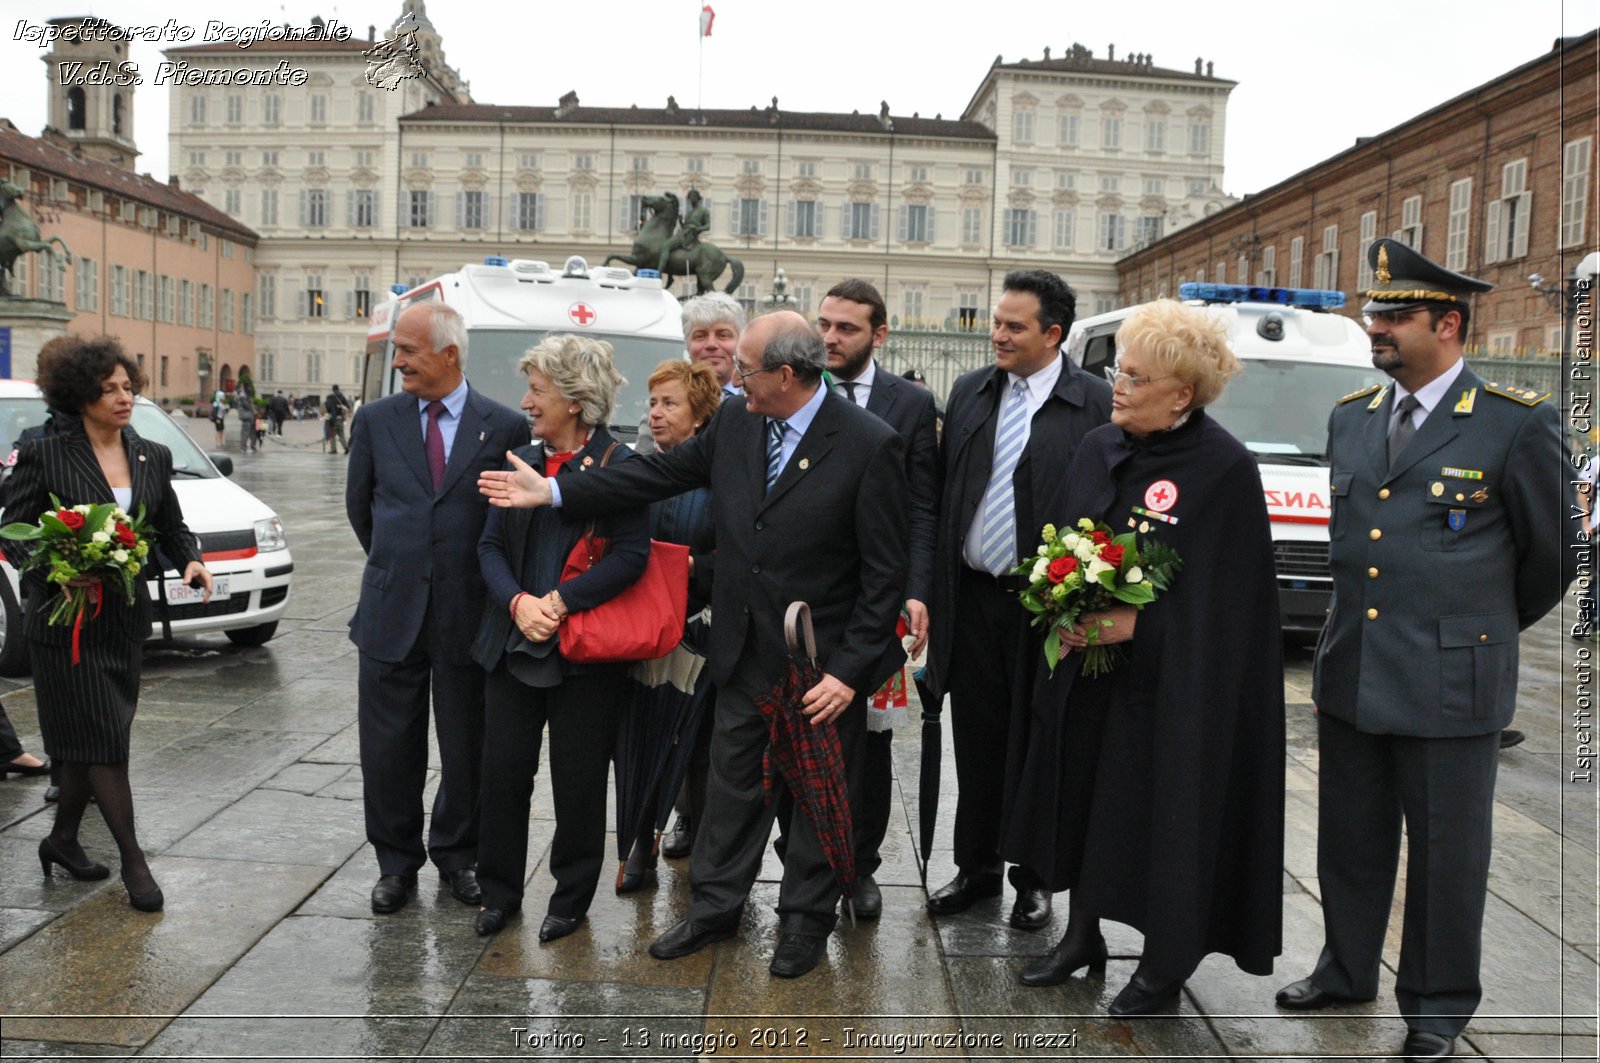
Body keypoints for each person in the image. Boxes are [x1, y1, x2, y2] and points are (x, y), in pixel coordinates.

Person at [479, 311, 908, 979]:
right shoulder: (739, 422)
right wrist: (557, 489)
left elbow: (885, 574)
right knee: (732, 790)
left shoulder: (869, 443)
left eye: (747, 370)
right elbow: (654, 477)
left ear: (788, 375)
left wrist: (851, 672)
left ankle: (804, 922)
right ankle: (714, 908)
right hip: (741, 648)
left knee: (821, 796)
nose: (732, 378)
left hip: (821, 660)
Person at [1274, 239, 1574, 1063]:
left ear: (1448, 323)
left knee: (1446, 850)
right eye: (1374, 313)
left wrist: (1472, 629)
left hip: (1451, 680)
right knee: (1351, 837)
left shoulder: (1515, 424)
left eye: (1394, 315)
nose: (1376, 327)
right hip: (1355, 666)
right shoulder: (1353, 418)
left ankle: (1438, 1003)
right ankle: (1345, 966)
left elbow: (1553, 557)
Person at [1006, 299, 1285, 1016]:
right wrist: (1063, 604)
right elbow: (1064, 542)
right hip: (1088, 677)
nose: (1117, 385)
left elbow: (1228, 607)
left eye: (1134, 376)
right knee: (1083, 802)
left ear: (1182, 394)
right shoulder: (1101, 444)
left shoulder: (1224, 468)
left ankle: (1164, 966)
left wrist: (1134, 626)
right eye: (1118, 370)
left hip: (1171, 689)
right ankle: (1082, 935)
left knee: (1161, 818)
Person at [923, 270, 1110, 931]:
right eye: (997, 322)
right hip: (973, 598)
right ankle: (975, 869)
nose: (997, 334)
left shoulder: (1092, 401)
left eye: (1013, 326)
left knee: (1040, 741)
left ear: (1053, 334)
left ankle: (1034, 877)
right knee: (976, 742)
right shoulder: (971, 390)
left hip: (1048, 607)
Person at [4, 335, 212, 911]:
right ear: (79, 396)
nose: (124, 397)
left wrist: (191, 559)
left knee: (92, 738)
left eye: (128, 386)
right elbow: (12, 529)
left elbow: (169, 525)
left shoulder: (151, 454)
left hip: (122, 619)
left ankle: (63, 840)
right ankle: (134, 862)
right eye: (108, 389)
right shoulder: (45, 453)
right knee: (104, 744)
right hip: (64, 622)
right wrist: (53, 567)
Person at [345, 302, 529, 916]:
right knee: (388, 747)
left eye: (408, 351)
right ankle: (394, 864)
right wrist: (405, 566)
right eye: (396, 350)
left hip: (468, 613)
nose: (396, 361)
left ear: (449, 355)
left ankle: (458, 855)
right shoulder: (376, 420)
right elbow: (361, 510)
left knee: (466, 744)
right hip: (391, 610)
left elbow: (507, 522)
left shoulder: (502, 426)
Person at [469, 335, 651, 941]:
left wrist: (560, 601)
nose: (525, 401)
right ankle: (498, 893)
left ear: (574, 400)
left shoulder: (620, 464)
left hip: (584, 654)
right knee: (502, 774)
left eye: (538, 390)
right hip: (513, 642)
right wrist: (519, 603)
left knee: (578, 783)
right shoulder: (518, 455)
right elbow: (489, 546)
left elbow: (631, 556)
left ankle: (570, 900)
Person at [807, 278, 939, 920]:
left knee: (867, 745)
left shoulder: (910, 404)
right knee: (796, 730)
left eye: (847, 328)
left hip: (876, 607)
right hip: (805, 602)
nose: (830, 337)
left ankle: (859, 867)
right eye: (824, 324)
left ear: (879, 335)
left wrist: (915, 590)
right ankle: (801, 858)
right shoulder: (794, 384)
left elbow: (920, 506)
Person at [615, 359, 721, 894]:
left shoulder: (722, 477)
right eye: (652, 403)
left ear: (701, 417)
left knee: (698, 749)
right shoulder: (637, 468)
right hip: (638, 632)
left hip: (698, 632)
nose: (655, 414)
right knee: (637, 737)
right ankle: (639, 846)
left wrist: (695, 568)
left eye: (669, 403)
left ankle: (701, 848)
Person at [682, 291, 744, 399]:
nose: (711, 344)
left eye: (723, 335)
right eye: (700, 336)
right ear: (687, 345)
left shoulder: (763, 399)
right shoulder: (665, 400)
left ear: (741, 342)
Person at [325, 385, 352, 455]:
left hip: (333, 419)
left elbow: (329, 408)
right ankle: (346, 448)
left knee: (332, 435)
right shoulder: (342, 397)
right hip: (341, 419)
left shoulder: (330, 398)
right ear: (338, 389)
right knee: (341, 434)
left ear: (333, 390)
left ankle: (333, 449)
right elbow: (348, 407)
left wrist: (330, 420)